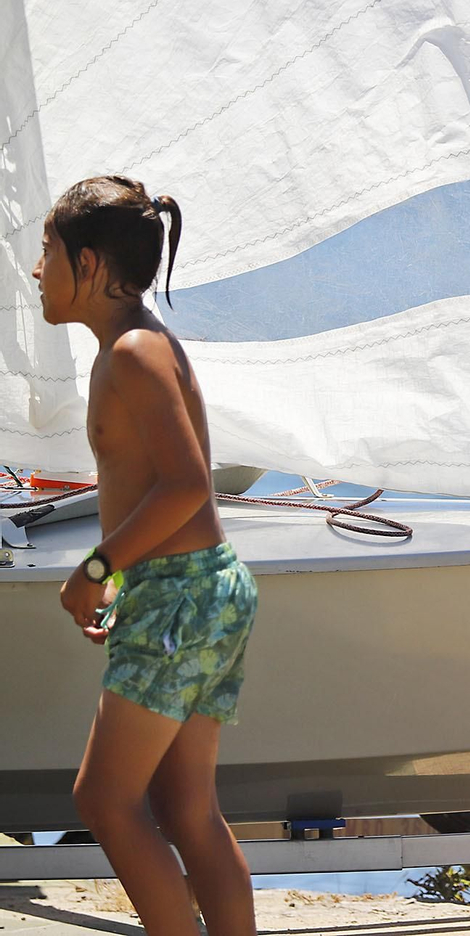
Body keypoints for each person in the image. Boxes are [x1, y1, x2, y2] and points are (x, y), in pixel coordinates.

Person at [35, 176, 258, 936]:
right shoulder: (136, 343)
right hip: (198, 587)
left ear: (89, 264)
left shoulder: (132, 351)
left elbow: (187, 483)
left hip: (180, 594)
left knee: (104, 799)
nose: (37, 270)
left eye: (47, 251)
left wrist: (96, 569)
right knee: (186, 808)